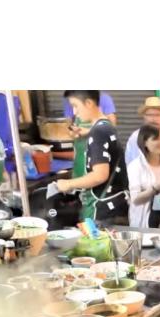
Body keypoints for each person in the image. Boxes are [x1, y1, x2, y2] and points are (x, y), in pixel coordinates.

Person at [56, 91, 128, 224]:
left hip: (102, 211)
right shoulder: (105, 127)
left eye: (76, 106)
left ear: (89, 103)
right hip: (116, 206)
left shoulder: (98, 133)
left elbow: (99, 176)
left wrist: (67, 184)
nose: (74, 112)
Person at [64, 91, 117, 180]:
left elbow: (112, 125)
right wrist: (73, 132)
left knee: (95, 178)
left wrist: (90, 131)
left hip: (97, 149)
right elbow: (69, 123)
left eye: (76, 106)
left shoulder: (104, 99)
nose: (74, 111)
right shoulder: (71, 99)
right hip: (80, 151)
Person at [125, 96, 160, 166]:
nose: (153, 119)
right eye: (150, 115)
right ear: (144, 117)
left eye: (157, 115)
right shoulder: (136, 137)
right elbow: (134, 165)